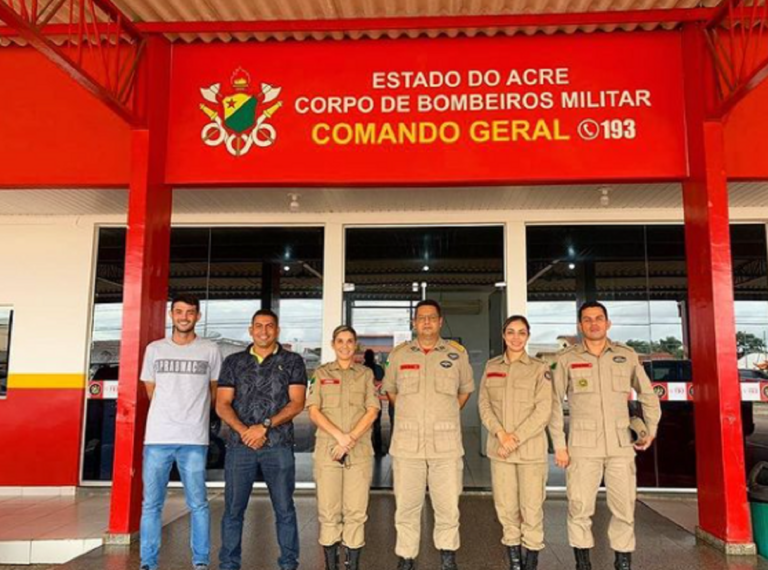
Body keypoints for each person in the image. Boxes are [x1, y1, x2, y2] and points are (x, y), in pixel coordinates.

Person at [549, 301, 662, 570]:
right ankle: (582, 563)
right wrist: (559, 446)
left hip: (620, 444)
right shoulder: (566, 359)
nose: (593, 323)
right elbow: (553, 403)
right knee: (579, 507)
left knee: (624, 508)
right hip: (582, 446)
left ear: (608, 323)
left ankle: (622, 561)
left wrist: (651, 428)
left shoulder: (626, 355)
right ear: (580, 325)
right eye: (587, 319)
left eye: (599, 318)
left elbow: (647, 394)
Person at [382, 300, 475, 570]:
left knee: (447, 507)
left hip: (445, 446)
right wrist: (412, 414)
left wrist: (444, 414)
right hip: (407, 445)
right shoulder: (399, 355)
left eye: (431, 318)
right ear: (414, 322)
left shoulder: (457, 354)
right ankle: (406, 557)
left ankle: (447, 558)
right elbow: (390, 390)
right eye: (421, 318)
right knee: (407, 507)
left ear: (440, 321)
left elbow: (465, 390)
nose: (426, 322)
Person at [216, 309, 307, 570]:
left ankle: (289, 564)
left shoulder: (292, 361)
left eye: (269, 326)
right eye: (258, 326)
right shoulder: (233, 362)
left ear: (277, 330)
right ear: (250, 330)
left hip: (277, 446)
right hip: (239, 446)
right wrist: (245, 431)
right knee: (233, 511)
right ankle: (228, 565)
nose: (264, 331)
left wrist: (264, 427)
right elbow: (222, 404)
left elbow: (297, 402)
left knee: (285, 510)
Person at [139, 294, 222, 570]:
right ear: (171, 315)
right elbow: (151, 390)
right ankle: (148, 563)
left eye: (190, 312)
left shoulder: (210, 350)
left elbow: (214, 391)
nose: (184, 317)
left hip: (194, 439)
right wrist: (170, 411)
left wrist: (195, 415)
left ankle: (200, 562)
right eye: (179, 312)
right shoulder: (154, 349)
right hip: (158, 438)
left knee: (198, 503)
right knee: (152, 504)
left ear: (197, 316)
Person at [478, 315, 551, 570]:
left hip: (529, 452)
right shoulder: (491, 366)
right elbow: (484, 404)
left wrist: (515, 438)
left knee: (531, 510)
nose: (516, 337)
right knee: (506, 509)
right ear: (503, 335)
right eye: (511, 332)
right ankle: (515, 563)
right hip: (501, 451)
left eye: (521, 332)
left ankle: (531, 564)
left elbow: (543, 411)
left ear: (528, 336)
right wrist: (501, 434)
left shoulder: (539, 368)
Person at [307, 326, 381, 570]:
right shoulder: (321, 373)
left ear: (356, 344)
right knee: (329, 511)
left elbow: (373, 410)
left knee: (356, 511)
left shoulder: (365, 374)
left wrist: (350, 439)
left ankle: (352, 566)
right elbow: (314, 410)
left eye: (350, 341)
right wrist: (340, 437)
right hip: (329, 449)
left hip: (358, 450)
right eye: (340, 341)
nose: (345, 345)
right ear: (333, 344)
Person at [363, 349, 386, 456]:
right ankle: (377, 450)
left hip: (362, 402)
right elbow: (383, 383)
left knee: (363, 427)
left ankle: (364, 451)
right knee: (377, 426)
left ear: (364, 357)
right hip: (375, 401)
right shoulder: (378, 369)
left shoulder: (360, 369)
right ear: (373, 357)